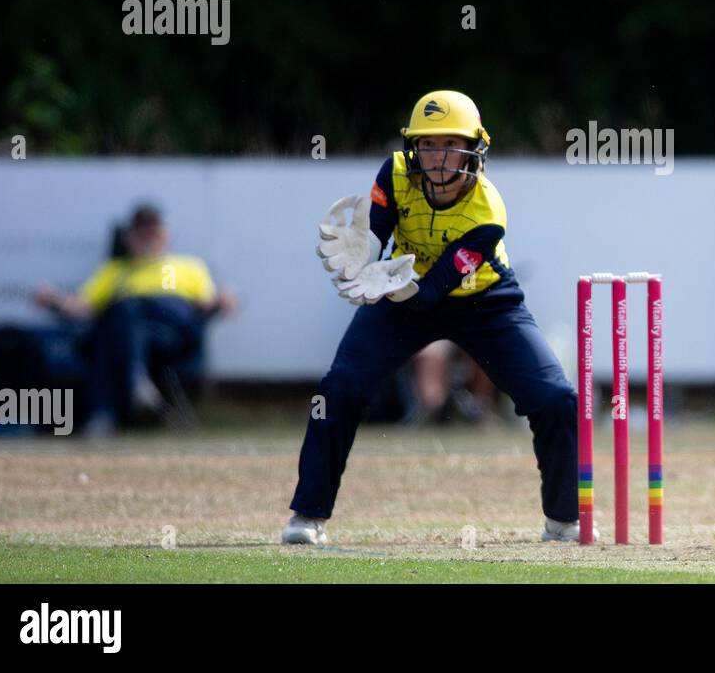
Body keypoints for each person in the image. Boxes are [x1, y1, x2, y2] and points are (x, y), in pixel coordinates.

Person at [283, 89, 589, 545]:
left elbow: (434, 291)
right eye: (427, 145)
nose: (438, 157)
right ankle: (307, 517)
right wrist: (361, 257)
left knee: (556, 398)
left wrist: (393, 282)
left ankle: (564, 519)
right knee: (339, 389)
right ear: (413, 148)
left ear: (473, 149)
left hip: (483, 301)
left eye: (450, 145)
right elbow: (377, 233)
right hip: (405, 293)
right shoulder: (395, 172)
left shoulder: (487, 210)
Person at [33, 204, 237, 435]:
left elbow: (206, 303)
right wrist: (54, 300)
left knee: (117, 324)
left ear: (166, 235)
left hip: (167, 334)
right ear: (129, 236)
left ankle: (105, 413)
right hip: (121, 330)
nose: (147, 238)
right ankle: (135, 387)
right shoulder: (114, 270)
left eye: (153, 231)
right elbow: (82, 307)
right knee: (115, 326)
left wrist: (224, 300)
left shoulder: (188, 267)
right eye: (141, 232)